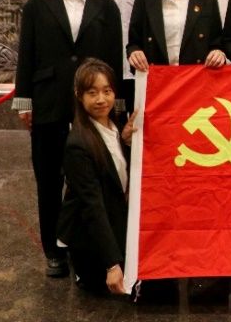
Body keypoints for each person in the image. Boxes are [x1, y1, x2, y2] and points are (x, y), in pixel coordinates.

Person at [13, 0, 123, 279]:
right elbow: (26, 56)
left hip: (94, 108)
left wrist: (117, 107)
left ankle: (90, 246)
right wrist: (23, 103)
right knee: (48, 180)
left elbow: (114, 61)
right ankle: (53, 251)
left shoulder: (105, 4)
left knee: (92, 181)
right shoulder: (38, 3)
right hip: (49, 103)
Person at [57, 58, 134, 295]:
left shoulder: (115, 126)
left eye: (107, 91)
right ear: (79, 96)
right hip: (90, 242)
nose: (101, 99)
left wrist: (126, 143)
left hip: (114, 222)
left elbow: (117, 173)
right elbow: (92, 206)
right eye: (92, 93)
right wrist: (112, 265)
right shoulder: (78, 144)